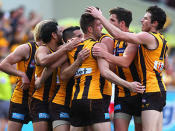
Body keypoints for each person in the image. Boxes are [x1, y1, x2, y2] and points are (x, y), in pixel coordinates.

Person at [86, 5, 168, 131]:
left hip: (142, 91)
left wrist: (99, 17)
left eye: (146, 18)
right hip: (129, 93)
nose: (141, 20)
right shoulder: (161, 39)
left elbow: (124, 61)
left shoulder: (142, 38)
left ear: (154, 23)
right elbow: (165, 65)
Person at [60, 12, 144, 131]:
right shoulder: (98, 46)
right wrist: (128, 85)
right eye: (99, 25)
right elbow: (105, 72)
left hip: (76, 101)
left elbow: (63, 76)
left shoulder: (72, 47)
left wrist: (77, 62)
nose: (102, 27)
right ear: (90, 29)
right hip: (94, 99)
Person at [91, 7, 142, 131]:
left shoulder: (132, 39)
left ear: (122, 23)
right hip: (121, 95)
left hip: (139, 93)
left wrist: (105, 55)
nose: (108, 24)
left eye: (112, 21)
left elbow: (125, 62)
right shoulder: (113, 42)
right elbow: (112, 68)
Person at [34, 26, 89, 131]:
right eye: (79, 36)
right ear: (70, 40)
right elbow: (54, 68)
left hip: (78, 102)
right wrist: (40, 81)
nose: (83, 38)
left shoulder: (85, 48)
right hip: (61, 102)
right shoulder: (64, 50)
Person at [0, 20, 50, 131]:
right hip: (21, 97)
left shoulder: (55, 50)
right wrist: (22, 74)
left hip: (41, 99)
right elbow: (3, 65)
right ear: (51, 34)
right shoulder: (27, 48)